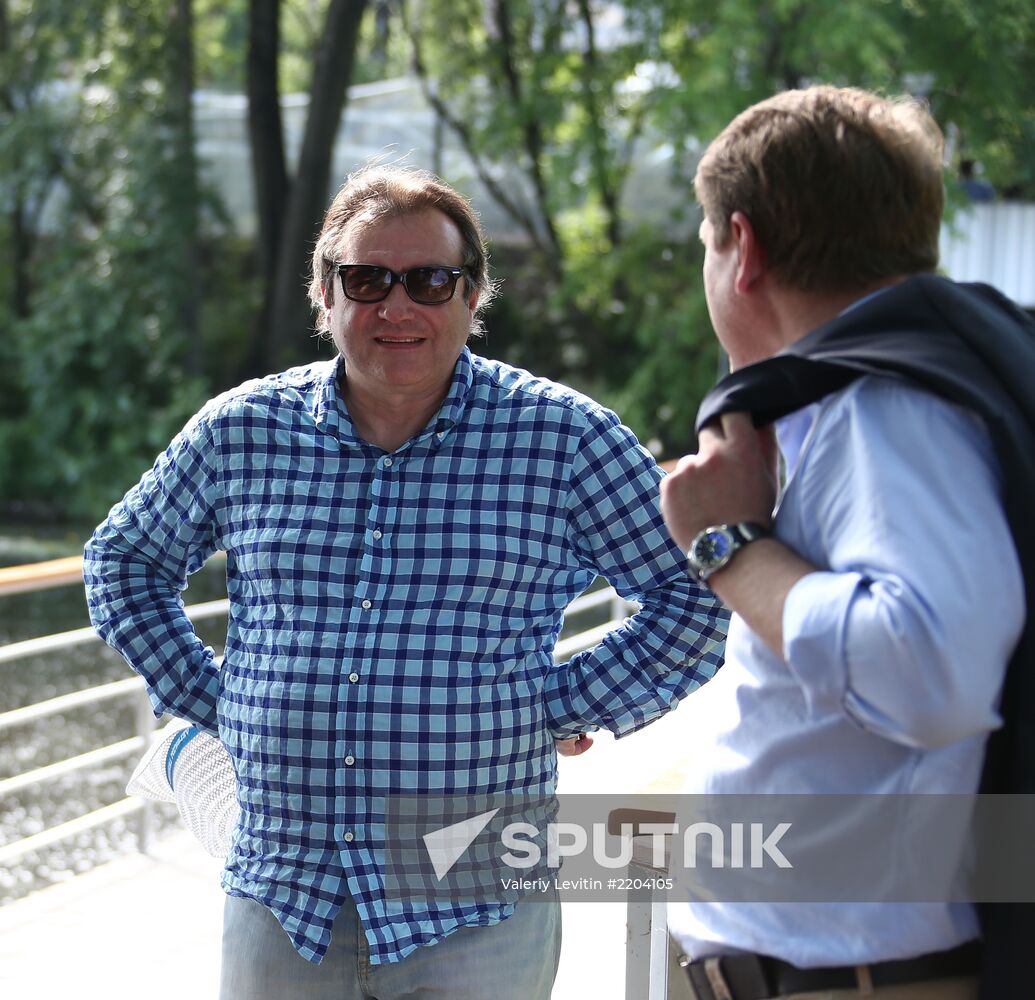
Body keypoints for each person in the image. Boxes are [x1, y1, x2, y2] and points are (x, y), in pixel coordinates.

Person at [83, 163, 728, 1000]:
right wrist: (217, 697)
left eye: (429, 280)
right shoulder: (241, 430)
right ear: (326, 296)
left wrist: (559, 702)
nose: (397, 307)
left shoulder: (563, 441)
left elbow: (693, 594)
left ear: (472, 296)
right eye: (366, 279)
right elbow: (122, 561)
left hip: (476, 905)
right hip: (286, 896)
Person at [660, 85, 1034, 1000]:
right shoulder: (931, 380)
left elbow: (930, 674)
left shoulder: (885, 409)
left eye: (704, 245)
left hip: (859, 980)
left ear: (740, 248)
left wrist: (729, 545)